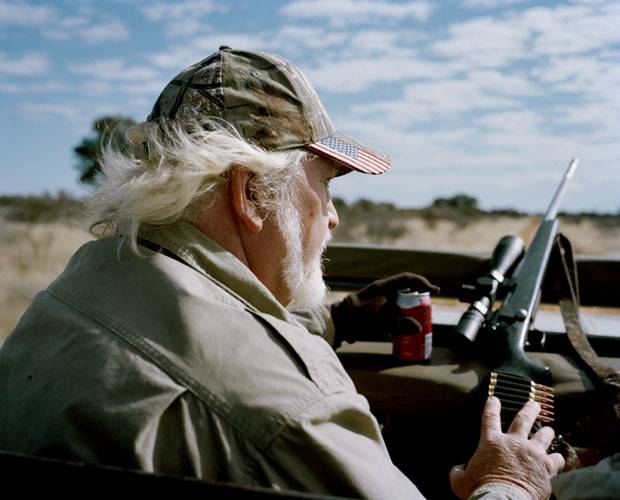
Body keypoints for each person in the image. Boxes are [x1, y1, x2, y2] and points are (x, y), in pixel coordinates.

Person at [0, 46, 564, 499]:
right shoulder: (293, 410)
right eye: (323, 185)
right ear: (252, 194)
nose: (334, 216)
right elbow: (237, 381)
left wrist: (335, 320)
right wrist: (509, 485)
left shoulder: (80, 285)